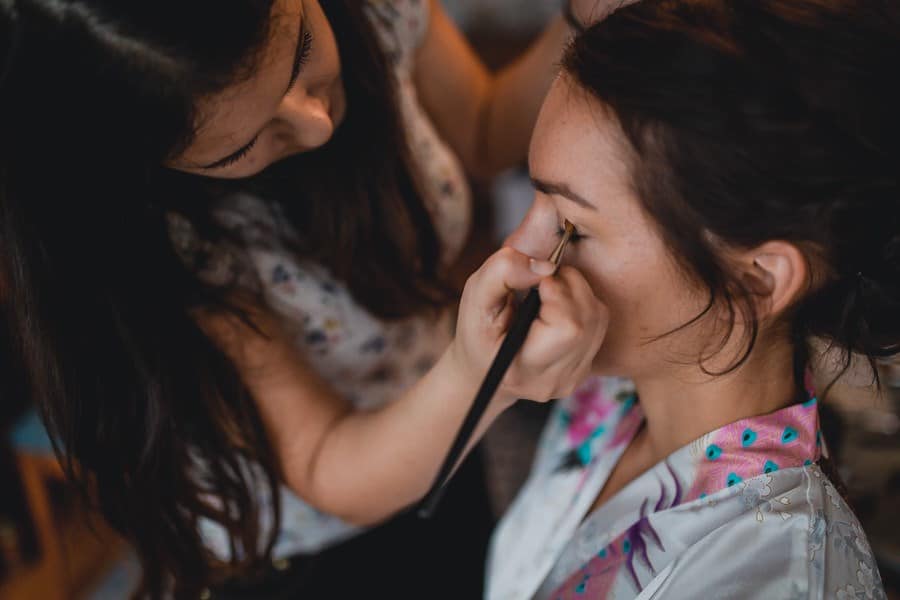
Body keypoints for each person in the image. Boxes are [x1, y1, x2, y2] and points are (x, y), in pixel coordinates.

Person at [0, 0, 612, 596]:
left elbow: (480, 128)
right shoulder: (164, 245)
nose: (316, 122)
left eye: (303, 50)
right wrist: (489, 379)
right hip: (308, 550)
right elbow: (325, 462)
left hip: (450, 430)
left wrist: (587, 19)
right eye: (241, 146)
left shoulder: (376, 10)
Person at [487, 0, 897, 597]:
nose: (516, 254)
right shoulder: (614, 391)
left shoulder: (776, 577)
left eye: (571, 226)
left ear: (755, 278)